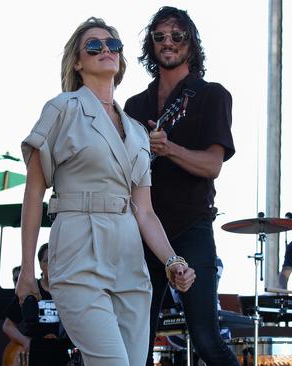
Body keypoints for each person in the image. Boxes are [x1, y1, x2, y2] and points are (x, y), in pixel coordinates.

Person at [16, 17, 195, 366]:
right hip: (77, 248)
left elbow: (144, 212)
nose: (106, 50)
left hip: (129, 258)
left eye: (113, 45)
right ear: (78, 62)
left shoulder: (137, 131)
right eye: (94, 46)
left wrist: (173, 261)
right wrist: (26, 270)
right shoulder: (61, 109)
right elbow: (33, 195)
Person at [123, 7, 237, 365]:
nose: (168, 42)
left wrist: (168, 149)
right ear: (150, 44)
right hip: (142, 231)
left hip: (191, 228)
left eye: (177, 36)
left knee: (206, 339)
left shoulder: (211, 95)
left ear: (191, 42)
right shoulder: (134, 105)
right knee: (135, 342)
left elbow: (213, 165)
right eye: (160, 36)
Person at [2, 243, 70, 366]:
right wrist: (26, 342)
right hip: (34, 353)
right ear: (40, 264)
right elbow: (8, 326)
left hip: (62, 353)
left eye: (55, 260)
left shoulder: (69, 292)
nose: (51, 265)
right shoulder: (30, 289)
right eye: (47, 261)